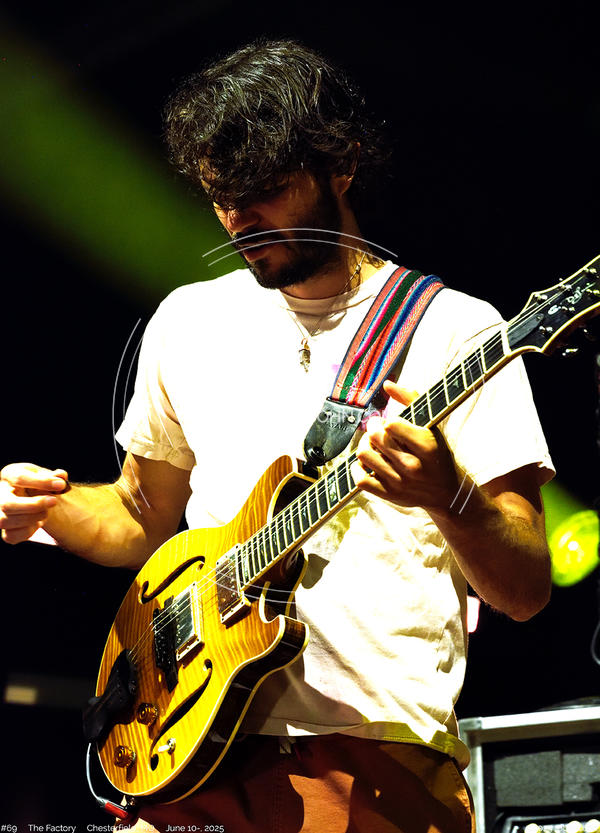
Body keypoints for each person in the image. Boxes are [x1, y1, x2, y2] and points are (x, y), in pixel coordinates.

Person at [0, 39, 554, 833]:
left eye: (264, 190)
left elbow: (526, 587)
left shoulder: (455, 330)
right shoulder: (188, 319)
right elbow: (140, 513)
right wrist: (46, 510)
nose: (239, 220)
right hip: (186, 749)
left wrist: (450, 495)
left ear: (342, 165)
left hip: (367, 761)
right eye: (220, 197)